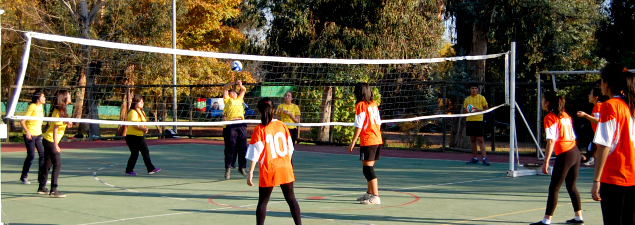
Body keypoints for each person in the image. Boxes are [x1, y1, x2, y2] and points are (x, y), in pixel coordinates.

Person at [530, 91, 583, 225]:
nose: (541, 101)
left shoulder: (550, 117)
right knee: (571, 186)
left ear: (547, 102)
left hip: (565, 154)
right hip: (575, 152)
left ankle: (546, 220)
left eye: (542, 99)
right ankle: (578, 217)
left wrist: (546, 161)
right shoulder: (566, 116)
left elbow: (551, 141)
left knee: (554, 188)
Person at [246, 97, 302, 225]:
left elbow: (255, 153)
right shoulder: (282, 125)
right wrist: (288, 165)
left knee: (263, 202)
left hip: (269, 168)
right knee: (291, 199)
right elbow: (290, 148)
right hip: (284, 167)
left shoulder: (259, 129)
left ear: (259, 111)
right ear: (273, 110)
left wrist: (250, 173)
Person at [592, 63, 635, 225]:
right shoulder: (630, 105)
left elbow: (604, 144)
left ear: (607, 83)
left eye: (601, 81)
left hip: (615, 176)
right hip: (632, 175)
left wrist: (596, 180)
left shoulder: (610, 106)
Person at [348, 82, 383, 204]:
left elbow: (359, 124)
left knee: (367, 169)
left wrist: (353, 141)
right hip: (377, 139)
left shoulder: (360, 105)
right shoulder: (373, 104)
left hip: (369, 140)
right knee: (368, 167)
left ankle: (375, 196)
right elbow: (378, 122)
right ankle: (369, 194)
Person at [38, 90, 73, 198]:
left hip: (49, 140)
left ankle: (42, 187)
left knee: (48, 165)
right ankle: (53, 190)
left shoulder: (61, 111)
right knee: (57, 164)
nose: (70, 96)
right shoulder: (57, 112)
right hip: (51, 141)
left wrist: (68, 122)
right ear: (64, 98)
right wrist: (56, 145)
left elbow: (59, 124)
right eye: (69, 95)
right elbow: (55, 129)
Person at [124, 95, 160, 176]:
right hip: (132, 136)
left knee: (144, 152)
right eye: (140, 101)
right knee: (136, 153)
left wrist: (145, 128)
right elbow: (134, 124)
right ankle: (129, 170)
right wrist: (142, 129)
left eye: (142, 101)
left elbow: (142, 124)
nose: (142, 103)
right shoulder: (133, 112)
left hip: (139, 136)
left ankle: (150, 169)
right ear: (135, 102)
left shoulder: (142, 112)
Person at [576, 87, 608, 166]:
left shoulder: (598, 106)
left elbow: (598, 121)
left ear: (596, 97)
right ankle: (592, 159)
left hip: (602, 135)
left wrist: (585, 115)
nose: (589, 96)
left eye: (590, 94)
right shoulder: (599, 105)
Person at [19, 91, 46, 185]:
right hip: (30, 134)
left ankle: (42, 178)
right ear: (38, 99)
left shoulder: (41, 106)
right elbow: (22, 121)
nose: (45, 98)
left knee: (43, 155)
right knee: (31, 156)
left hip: (38, 134)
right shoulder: (32, 106)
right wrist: (27, 132)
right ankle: (24, 177)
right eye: (43, 97)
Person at [222, 80, 248, 179]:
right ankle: (228, 169)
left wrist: (240, 85)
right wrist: (233, 83)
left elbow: (244, 90)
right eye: (231, 92)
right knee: (230, 147)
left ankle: (242, 167)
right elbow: (225, 87)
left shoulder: (239, 99)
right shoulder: (227, 100)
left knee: (243, 147)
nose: (233, 93)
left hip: (241, 123)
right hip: (231, 124)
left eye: (234, 92)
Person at [464, 83, 490, 166]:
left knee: (480, 140)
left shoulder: (481, 98)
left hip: (478, 121)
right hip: (470, 121)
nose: (474, 90)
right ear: (470, 90)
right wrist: (469, 110)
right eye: (472, 88)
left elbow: (487, 109)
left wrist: (477, 110)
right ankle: (475, 158)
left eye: (475, 88)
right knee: (472, 139)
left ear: (478, 90)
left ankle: (484, 159)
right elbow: (465, 110)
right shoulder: (467, 99)